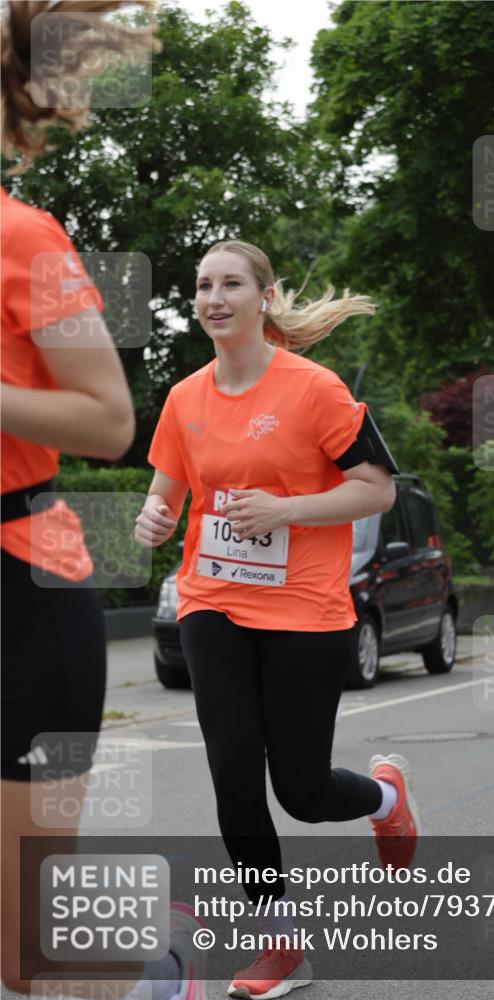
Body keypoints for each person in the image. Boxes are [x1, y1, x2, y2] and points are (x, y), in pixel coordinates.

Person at [135, 239, 421, 1000]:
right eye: (202, 285)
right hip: (213, 599)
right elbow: (167, 491)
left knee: (300, 790)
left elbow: (377, 490)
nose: (214, 297)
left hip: (304, 605)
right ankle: (279, 941)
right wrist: (155, 518)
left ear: (264, 297)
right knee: (233, 769)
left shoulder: (315, 390)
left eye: (231, 283)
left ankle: (385, 799)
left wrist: (286, 510)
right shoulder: (184, 397)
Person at [1, 4, 205, 999]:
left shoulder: (23, 234)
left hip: (24, 594)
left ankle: (157, 964)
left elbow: (108, 418)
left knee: (29, 953)